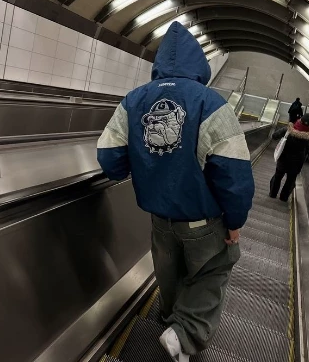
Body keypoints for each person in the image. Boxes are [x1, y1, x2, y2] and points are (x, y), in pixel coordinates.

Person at [97, 22, 255, 361]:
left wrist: (131, 168)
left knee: (168, 276)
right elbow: (234, 173)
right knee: (212, 271)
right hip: (204, 221)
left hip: (160, 220)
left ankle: (170, 319)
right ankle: (184, 334)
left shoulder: (133, 100)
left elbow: (109, 155)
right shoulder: (212, 104)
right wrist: (235, 221)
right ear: (199, 65)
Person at [270, 113, 309, 201]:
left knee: (277, 176)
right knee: (290, 180)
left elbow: (274, 136)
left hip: (283, 158)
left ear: (300, 119)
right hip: (297, 162)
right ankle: (284, 198)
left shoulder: (288, 129)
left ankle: (272, 194)